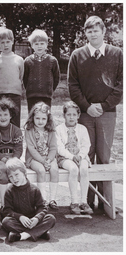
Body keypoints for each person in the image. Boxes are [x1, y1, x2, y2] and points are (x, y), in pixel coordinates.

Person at [68, 15, 123, 211]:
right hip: (85, 113)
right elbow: (72, 86)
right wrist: (87, 106)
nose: (93, 34)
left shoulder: (117, 54)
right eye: (89, 31)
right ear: (85, 33)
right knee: (86, 156)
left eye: (96, 30)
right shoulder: (77, 55)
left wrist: (105, 105)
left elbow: (121, 85)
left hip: (107, 113)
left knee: (104, 156)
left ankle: (107, 203)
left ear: (103, 32)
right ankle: (87, 201)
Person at [2, 158, 56, 242]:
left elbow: (42, 207)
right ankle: (39, 232)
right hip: (19, 221)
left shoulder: (34, 189)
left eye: (16, 174)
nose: (14, 179)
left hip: (33, 221)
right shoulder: (9, 191)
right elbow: (6, 210)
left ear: (24, 173)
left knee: (51, 218)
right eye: (11, 177)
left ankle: (22, 236)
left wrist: (37, 218)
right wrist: (19, 217)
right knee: (6, 222)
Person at [55, 101, 93, 215]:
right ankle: (74, 202)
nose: (71, 117)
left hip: (81, 156)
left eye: (74, 115)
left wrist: (80, 156)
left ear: (78, 116)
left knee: (84, 169)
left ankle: (83, 201)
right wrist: (71, 157)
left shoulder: (82, 129)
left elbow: (87, 145)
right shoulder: (59, 129)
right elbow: (59, 148)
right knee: (73, 169)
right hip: (65, 158)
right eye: (68, 114)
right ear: (64, 116)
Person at [0, 97, 23, 210]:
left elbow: (18, 149)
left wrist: (13, 159)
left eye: (5, 114)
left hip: (13, 157)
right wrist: (3, 159)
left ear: (11, 115)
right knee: (2, 170)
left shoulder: (16, 130)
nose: (3, 117)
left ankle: (19, 203)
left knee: (19, 171)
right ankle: (4, 205)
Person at [24, 102, 59, 209]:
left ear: (48, 119)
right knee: (41, 170)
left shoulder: (51, 130)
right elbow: (31, 149)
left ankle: (52, 199)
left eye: (43, 119)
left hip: (48, 157)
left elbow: (53, 148)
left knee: (54, 170)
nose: (40, 121)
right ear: (32, 117)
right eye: (37, 118)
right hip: (33, 158)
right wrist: (43, 162)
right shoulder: (29, 130)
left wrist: (48, 160)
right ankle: (42, 200)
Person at [0, 27, 24, 127]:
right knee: (0, 120)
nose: (5, 45)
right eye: (2, 42)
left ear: (13, 42)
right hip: (0, 95)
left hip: (14, 94)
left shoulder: (19, 60)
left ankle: (14, 141)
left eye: (8, 41)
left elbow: (21, 77)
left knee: (14, 121)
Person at [23, 29, 60, 112]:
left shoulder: (52, 61)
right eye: (36, 44)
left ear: (46, 44)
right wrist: (31, 89)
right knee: (32, 117)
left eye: (42, 43)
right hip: (32, 96)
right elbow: (25, 78)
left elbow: (56, 78)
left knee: (45, 118)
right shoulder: (28, 61)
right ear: (32, 45)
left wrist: (49, 89)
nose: (39, 46)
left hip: (46, 96)